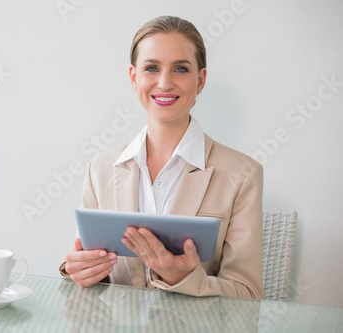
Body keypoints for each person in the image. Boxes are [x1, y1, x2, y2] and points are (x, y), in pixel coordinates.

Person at [60, 16, 263, 299]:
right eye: (151, 68)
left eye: (180, 69)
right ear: (134, 78)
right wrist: (82, 272)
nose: (165, 83)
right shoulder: (100, 169)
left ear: (200, 79)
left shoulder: (242, 174)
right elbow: (91, 280)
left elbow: (248, 295)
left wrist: (187, 279)